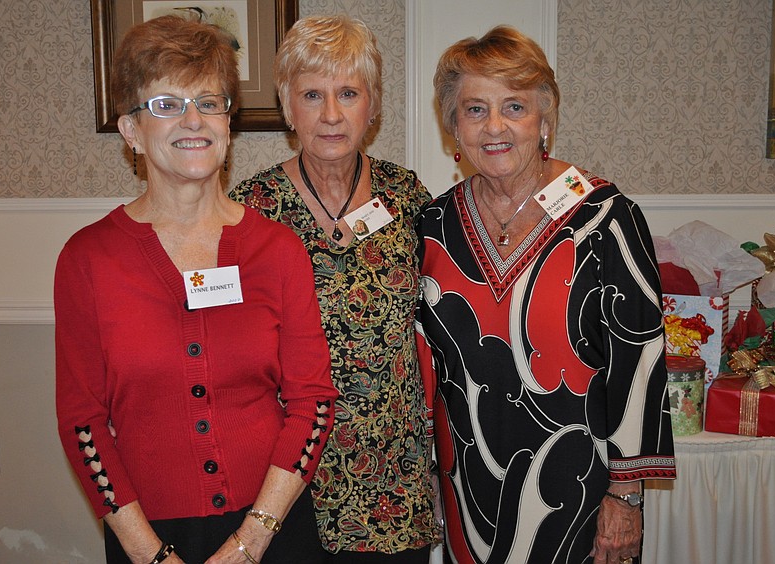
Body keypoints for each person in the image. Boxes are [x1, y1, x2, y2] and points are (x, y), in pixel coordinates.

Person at [55, 15, 338, 564]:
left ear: (228, 126)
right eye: (167, 104)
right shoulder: (88, 260)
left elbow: (314, 404)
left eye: (210, 103)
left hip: (273, 530)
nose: (194, 120)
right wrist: (150, 554)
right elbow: (82, 423)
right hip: (149, 538)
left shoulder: (276, 250)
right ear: (131, 131)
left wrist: (251, 540)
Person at [414, 25, 676, 564]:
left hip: (580, 498)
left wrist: (625, 495)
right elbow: (427, 371)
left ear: (545, 120)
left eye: (514, 106)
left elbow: (639, 364)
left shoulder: (605, 218)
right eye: (474, 109)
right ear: (452, 129)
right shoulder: (433, 226)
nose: (495, 127)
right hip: (470, 499)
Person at [230, 15, 439, 563]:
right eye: (312, 94)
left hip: (392, 482)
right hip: (287, 480)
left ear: (372, 107)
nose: (330, 114)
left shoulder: (407, 196)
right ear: (286, 106)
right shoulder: (252, 209)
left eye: (348, 93)